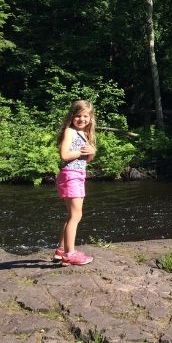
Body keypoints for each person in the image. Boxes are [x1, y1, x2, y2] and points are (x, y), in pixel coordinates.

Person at [53, 100, 97, 266]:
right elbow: (64, 155)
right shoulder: (70, 131)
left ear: (90, 118)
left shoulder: (85, 134)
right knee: (76, 215)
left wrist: (92, 152)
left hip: (78, 175)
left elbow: (87, 158)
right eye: (78, 115)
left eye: (85, 116)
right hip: (70, 175)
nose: (82, 119)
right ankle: (70, 254)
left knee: (72, 215)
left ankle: (60, 250)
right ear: (72, 117)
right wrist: (79, 152)